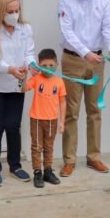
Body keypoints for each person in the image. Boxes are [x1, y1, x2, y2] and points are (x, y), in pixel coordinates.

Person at [57, 0, 110, 176]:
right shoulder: (65, 0)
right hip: (73, 59)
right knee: (71, 112)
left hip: (97, 60)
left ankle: (94, 157)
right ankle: (69, 160)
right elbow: (67, 31)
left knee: (95, 110)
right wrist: (85, 53)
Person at [0, 0, 35, 186]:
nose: (14, 14)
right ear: (1, 11)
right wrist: (10, 69)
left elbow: (29, 53)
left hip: (16, 85)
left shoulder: (25, 28)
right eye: (10, 11)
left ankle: (15, 165)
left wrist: (32, 65)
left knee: (13, 126)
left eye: (17, 10)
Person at [23, 49, 67, 188]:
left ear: (57, 64)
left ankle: (48, 171)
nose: (48, 68)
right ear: (39, 65)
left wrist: (62, 122)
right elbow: (24, 88)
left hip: (52, 120)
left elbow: (62, 102)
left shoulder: (59, 81)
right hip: (36, 119)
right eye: (44, 65)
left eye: (51, 65)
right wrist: (24, 75)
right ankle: (37, 173)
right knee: (36, 147)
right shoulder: (36, 78)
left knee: (49, 146)